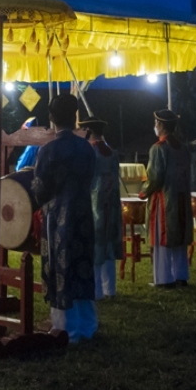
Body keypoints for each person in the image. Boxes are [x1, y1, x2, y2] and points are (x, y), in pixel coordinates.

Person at [31, 94, 97, 342]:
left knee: (61, 268)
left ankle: (65, 329)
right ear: (74, 117)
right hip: (82, 213)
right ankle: (87, 327)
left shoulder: (48, 150)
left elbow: (39, 189)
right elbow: (91, 179)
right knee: (82, 265)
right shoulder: (86, 149)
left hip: (57, 217)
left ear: (51, 118)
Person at [142, 109, 192, 287]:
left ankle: (163, 278)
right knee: (178, 238)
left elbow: (155, 177)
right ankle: (180, 275)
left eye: (156, 123)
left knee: (162, 236)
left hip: (164, 199)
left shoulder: (158, 148)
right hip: (182, 197)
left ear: (161, 125)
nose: (155, 126)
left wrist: (144, 191)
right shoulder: (184, 148)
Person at [82, 118, 122, 300]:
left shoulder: (90, 151)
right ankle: (110, 289)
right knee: (108, 245)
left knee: (95, 244)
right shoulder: (112, 152)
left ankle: (96, 291)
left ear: (88, 131)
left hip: (93, 202)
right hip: (110, 203)